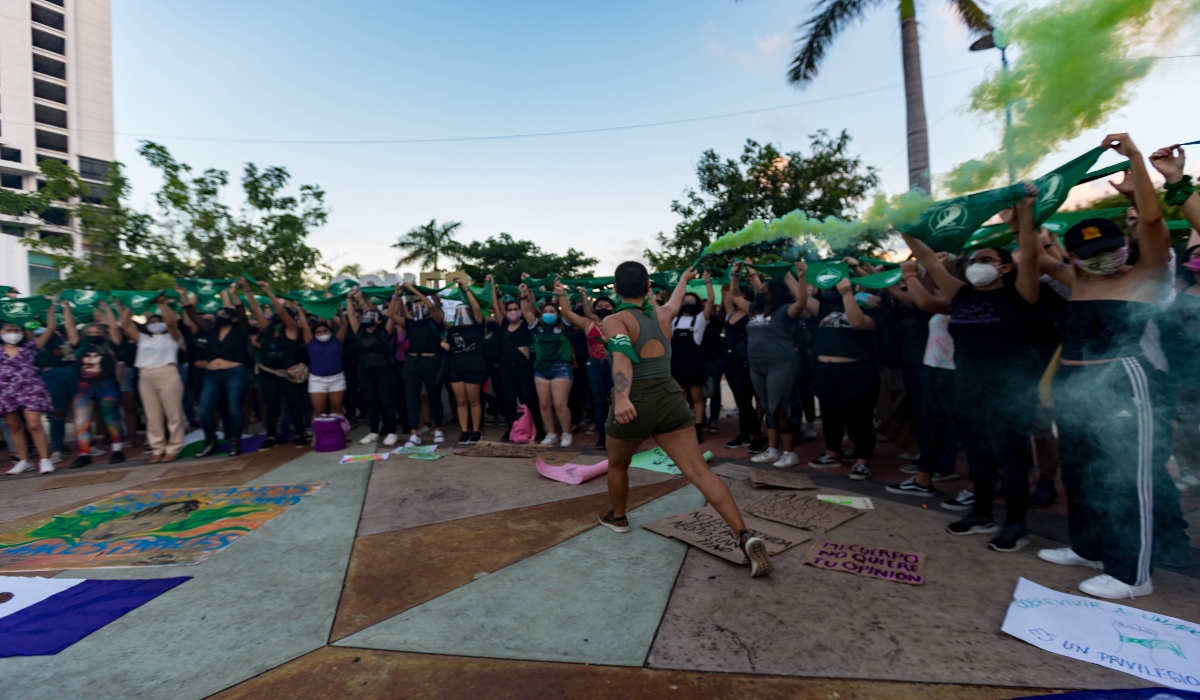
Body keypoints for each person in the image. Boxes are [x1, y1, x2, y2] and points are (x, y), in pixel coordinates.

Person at [1039, 135, 1190, 599]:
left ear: (1123, 244)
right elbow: (1033, 253)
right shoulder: (1079, 281)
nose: (1101, 257)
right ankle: (1089, 549)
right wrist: (1024, 213)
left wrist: (1136, 163)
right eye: (1088, 252)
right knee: (1080, 472)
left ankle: (1132, 576)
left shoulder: (1147, 276)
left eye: (1109, 245)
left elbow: (1150, 219)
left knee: (1128, 476)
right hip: (1076, 381)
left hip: (1125, 381)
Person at [598, 263, 771, 577]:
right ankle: (743, 535)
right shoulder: (662, 315)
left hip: (635, 399)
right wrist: (683, 279)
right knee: (699, 471)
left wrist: (622, 397)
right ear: (648, 286)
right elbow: (675, 301)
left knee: (619, 464)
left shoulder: (614, 319)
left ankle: (619, 517)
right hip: (669, 397)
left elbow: (622, 356)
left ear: (615, 286)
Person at [903, 181, 1042, 554]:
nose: (978, 265)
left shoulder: (1020, 294)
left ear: (1005, 267)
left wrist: (1026, 209)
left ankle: (1016, 525)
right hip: (967, 386)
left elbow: (1029, 255)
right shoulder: (961, 295)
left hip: (1009, 391)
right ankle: (980, 514)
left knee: (1010, 460)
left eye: (987, 260)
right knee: (978, 455)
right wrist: (905, 229)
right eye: (975, 261)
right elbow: (930, 261)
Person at [805, 272, 885, 481]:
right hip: (826, 372)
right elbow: (802, 298)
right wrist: (802, 274)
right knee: (830, 415)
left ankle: (862, 461)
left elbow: (857, 323)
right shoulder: (829, 310)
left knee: (859, 417)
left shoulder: (875, 310)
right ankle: (833, 453)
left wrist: (849, 294)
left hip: (857, 372)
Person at [738, 263, 805, 468]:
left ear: (775, 293)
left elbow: (802, 301)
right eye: (759, 290)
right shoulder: (754, 310)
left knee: (778, 408)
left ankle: (790, 453)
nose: (760, 293)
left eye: (764, 291)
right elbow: (733, 297)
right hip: (757, 365)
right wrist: (733, 275)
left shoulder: (785, 310)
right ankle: (773, 450)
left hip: (780, 364)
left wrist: (800, 277)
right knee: (768, 408)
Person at [181, 283, 253, 458]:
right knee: (205, 410)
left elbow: (242, 314)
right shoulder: (210, 330)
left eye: (223, 314)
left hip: (234, 372)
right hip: (211, 375)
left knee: (234, 408)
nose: (218, 316)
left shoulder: (240, 330)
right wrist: (183, 294)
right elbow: (191, 313)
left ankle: (235, 441)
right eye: (218, 314)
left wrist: (234, 295)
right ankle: (210, 442)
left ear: (233, 318)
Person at [119, 296, 186, 463]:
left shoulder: (173, 337)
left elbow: (171, 323)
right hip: (145, 376)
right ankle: (157, 448)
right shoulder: (143, 338)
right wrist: (131, 304)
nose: (155, 322)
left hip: (167, 372)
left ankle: (174, 447)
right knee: (152, 415)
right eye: (152, 321)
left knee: (173, 413)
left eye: (158, 320)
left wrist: (162, 304)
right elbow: (125, 325)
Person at [63, 301, 128, 469]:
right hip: (84, 387)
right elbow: (70, 327)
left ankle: (117, 450)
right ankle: (84, 454)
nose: (93, 334)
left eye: (97, 331)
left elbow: (113, 328)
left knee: (111, 418)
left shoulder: (111, 344)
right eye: (90, 332)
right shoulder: (80, 346)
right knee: (81, 421)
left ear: (103, 333)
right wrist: (67, 308)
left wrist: (107, 308)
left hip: (106, 384)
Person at [247, 282, 308, 448]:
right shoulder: (267, 330)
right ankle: (272, 436)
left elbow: (281, 310)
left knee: (294, 403)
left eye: (280, 315)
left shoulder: (292, 330)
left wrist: (269, 293)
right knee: (270, 404)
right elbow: (256, 310)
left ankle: (299, 433)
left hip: (286, 372)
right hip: (268, 372)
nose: (277, 316)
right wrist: (248, 290)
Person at [2, 302, 59, 475]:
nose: (12, 334)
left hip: (30, 388)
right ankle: (24, 460)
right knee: (13, 425)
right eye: (8, 331)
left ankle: (45, 459)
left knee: (34, 424)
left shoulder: (29, 347)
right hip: (5, 390)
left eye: (16, 331)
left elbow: (50, 328)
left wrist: (49, 308)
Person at [521, 282, 576, 447]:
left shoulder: (564, 325)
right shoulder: (537, 326)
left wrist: (561, 293)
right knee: (544, 404)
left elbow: (567, 309)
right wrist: (523, 293)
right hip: (540, 370)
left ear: (557, 314)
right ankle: (551, 433)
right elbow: (525, 310)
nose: (548, 314)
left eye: (552, 312)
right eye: (545, 312)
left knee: (560, 404)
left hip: (561, 367)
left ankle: (566, 433)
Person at [346, 289, 400, 447]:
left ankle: (391, 432)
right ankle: (374, 432)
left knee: (386, 402)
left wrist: (395, 296)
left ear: (378, 321)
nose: (368, 317)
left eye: (372, 316)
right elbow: (350, 316)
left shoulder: (385, 331)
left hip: (385, 371)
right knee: (371, 403)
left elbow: (392, 314)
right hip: (365, 372)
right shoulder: (359, 332)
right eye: (366, 316)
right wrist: (350, 299)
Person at [491, 280, 541, 442]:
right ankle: (511, 428)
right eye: (509, 309)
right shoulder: (504, 325)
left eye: (515, 309)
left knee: (528, 397)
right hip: (507, 366)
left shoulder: (527, 324)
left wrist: (524, 294)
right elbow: (496, 305)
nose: (512, 312)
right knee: (509, 398)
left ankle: (537, 428)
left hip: (523, 365)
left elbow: (530, 307)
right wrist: (493, 288)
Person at [722, 264, 765, 452]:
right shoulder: (731, 312)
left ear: (745, 296)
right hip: (730, 361)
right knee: (741, 400)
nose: (733, 295)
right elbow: (728, 292)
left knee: (752, 399)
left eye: (738, 293)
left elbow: (737, 293)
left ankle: (757, 435)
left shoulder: (752, 312)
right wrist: (732, 273)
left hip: (746, 360)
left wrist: (745, 272)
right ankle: (743, 434)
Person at [397, 282, 446, 447]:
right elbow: (391, 314)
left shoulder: (435, 321)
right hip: (412, 362)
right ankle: (413, 433)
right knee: (412, 398)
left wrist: (413, 290)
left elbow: (432, 307)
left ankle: (438, 428)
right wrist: (396, 296)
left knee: (434, 396)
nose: (420, 305)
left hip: (431, 361)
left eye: (421, 302)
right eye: (416, 303)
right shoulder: (411, 323)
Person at [669, 273, 715, 444]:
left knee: (697, 397)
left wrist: (707, 280)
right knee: (681, 398)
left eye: (691, 301)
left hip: (694, 363)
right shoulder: (674, 320)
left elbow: (711, 301)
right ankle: (683, 428)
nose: (688, 304)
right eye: (684, 301)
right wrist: (651, 295)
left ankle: (698, 430)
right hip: (678, 363)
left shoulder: (701, 319)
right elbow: (663, 307)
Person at [442, 280, 486, 444]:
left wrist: (465, 289)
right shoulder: (453, 329)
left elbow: (476, 308)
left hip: (474, 368)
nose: (462, 314)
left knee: (474, 401)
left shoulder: (477, 327)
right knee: (461, 401)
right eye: (458, 312)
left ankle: (476, 430)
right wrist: (445, 345)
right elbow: (445, 341)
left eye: (464, 311)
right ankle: (464, 431)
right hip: (456, 368)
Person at [34, 304, 78, 464]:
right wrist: (49, 309)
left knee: (81, 410)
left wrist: (66, 308)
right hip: (51, 374)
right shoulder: (37, 333)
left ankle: (87, 445)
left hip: (72, 372)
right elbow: (50, 327)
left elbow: (70, 326)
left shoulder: (67, 333)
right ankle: (57, 449)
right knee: (57, 413)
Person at [581, 291, 616, 451]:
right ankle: (602, 436)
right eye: (600, 306)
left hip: (615, 365)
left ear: (613, 308)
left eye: (607, 306)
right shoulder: (589, 324)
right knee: (600, 403)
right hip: (594, 366)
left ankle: (617, 436)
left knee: (615, 401)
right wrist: (581, 296)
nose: (603, 308)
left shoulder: (619, 323)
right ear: (594, 309)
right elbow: (566, 312)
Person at [297, 308, 348, 417]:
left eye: (325, 331)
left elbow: (344, 326)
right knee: (318, 410)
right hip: (317, 380)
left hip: (337, 378)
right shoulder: (311, 342)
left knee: (337, 408)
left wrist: (339, 311)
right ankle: (317, 434)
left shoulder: (337, 340)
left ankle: (340, 433)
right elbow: (305, 327)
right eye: (319, 332)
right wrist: (300, 311)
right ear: (314, 334)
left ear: (330, 331)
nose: (323, 334)